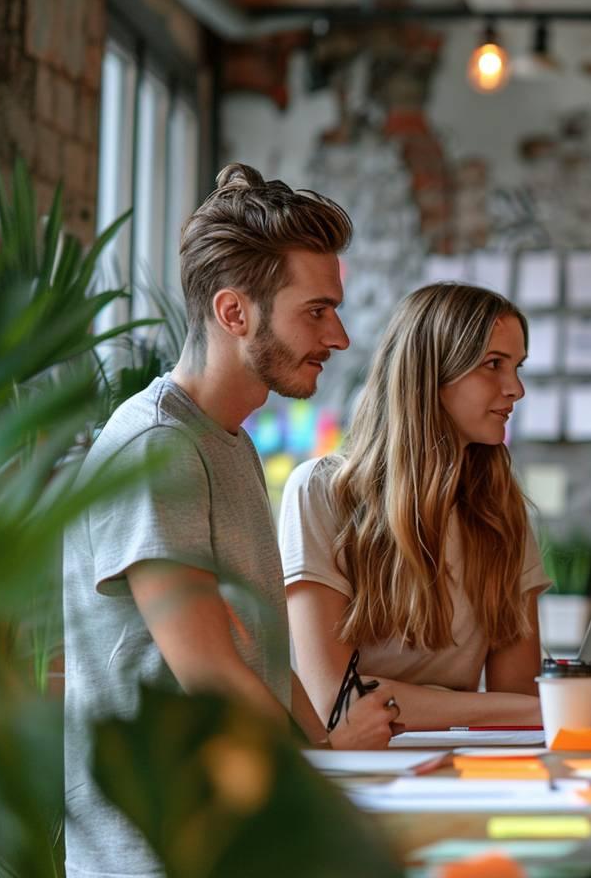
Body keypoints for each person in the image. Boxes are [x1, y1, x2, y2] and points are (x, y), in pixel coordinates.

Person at [63, 164, 398, 878]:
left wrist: (328, 758)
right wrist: (326, 773)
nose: (338, 336)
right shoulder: (158, 446)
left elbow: (261, 662)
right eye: (316, 311)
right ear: (233, 311)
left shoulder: (230, 440)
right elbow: (212, 675)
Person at [280, 283, 591, 730]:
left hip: (460, 766)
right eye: (493, 365)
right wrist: (550, 706)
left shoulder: (501, 511)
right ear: (430, 375)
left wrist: (590, 701)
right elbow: (339, 702)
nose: (516, 389)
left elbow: (516, 699)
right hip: (356, 777)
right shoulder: (322, 492)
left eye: (517, 367)